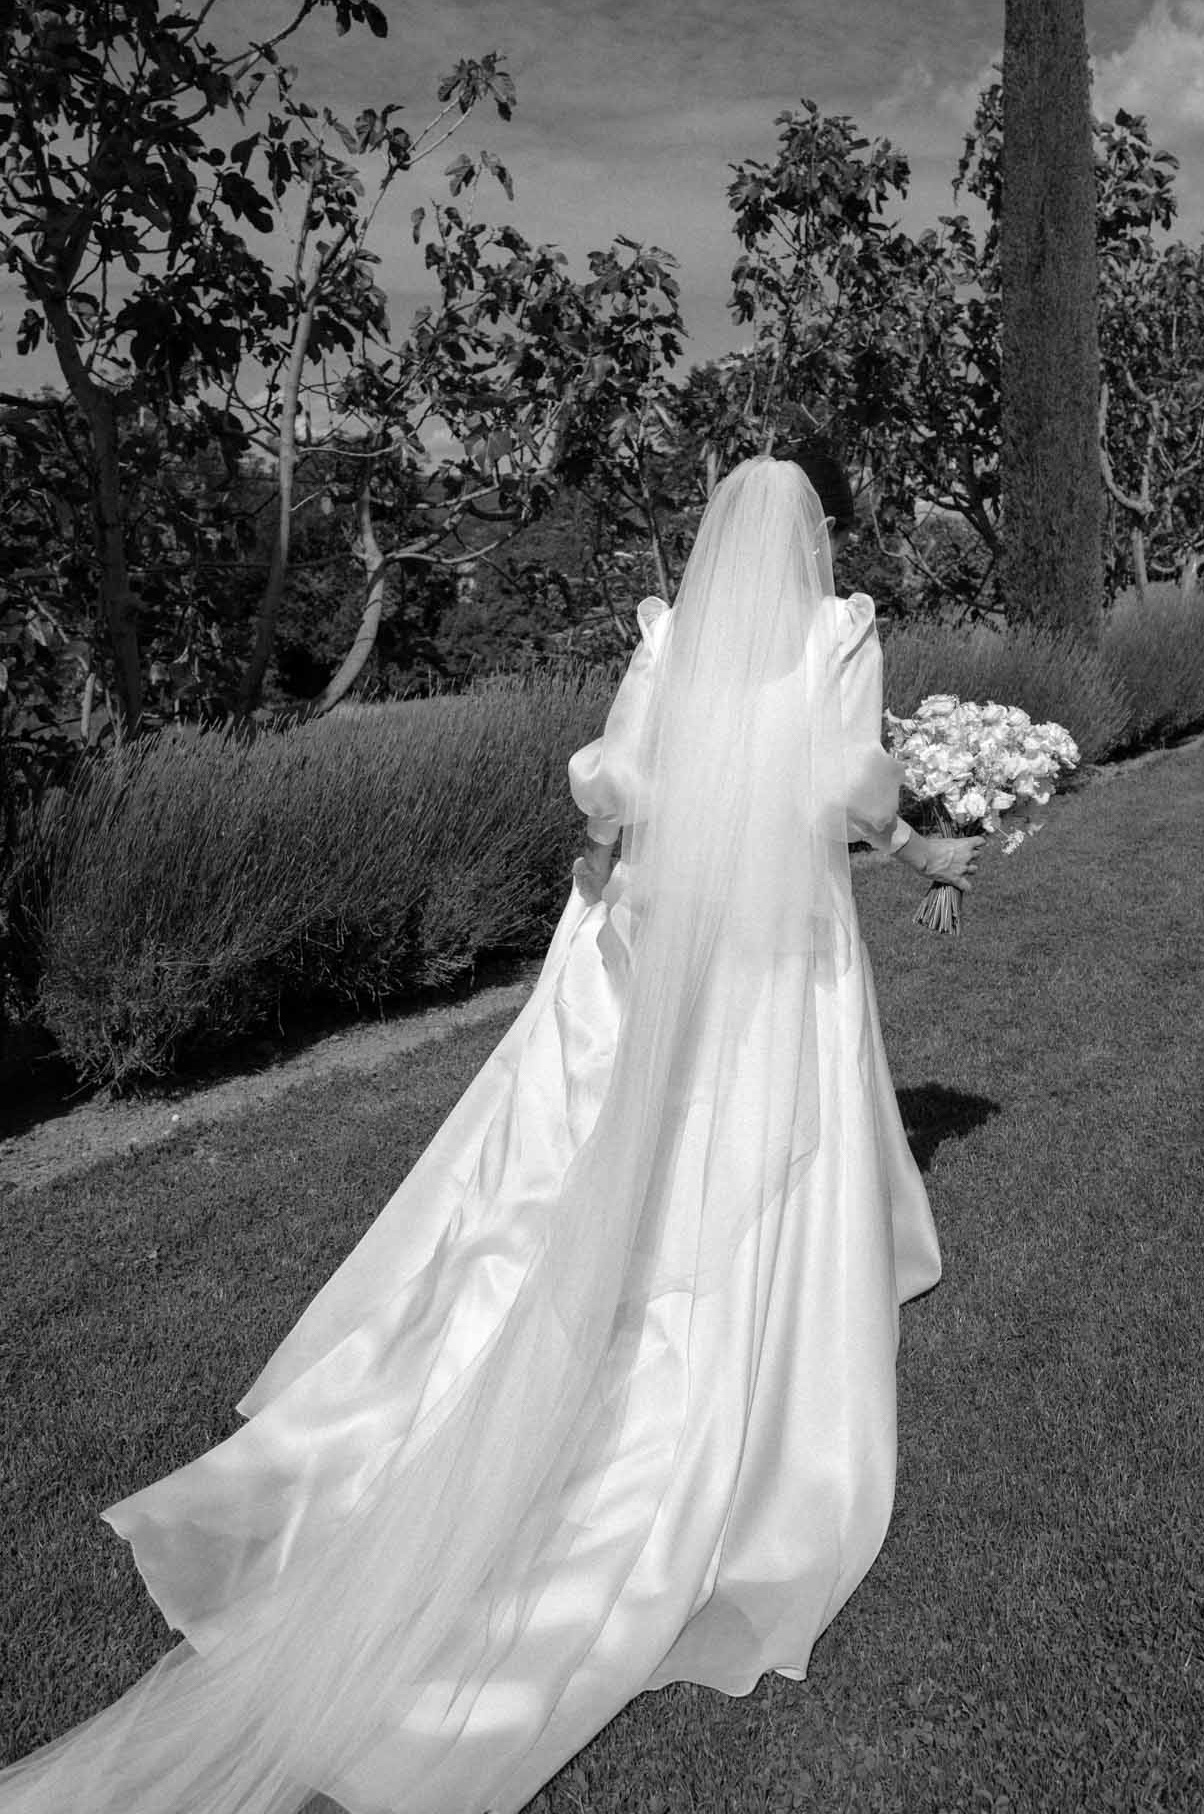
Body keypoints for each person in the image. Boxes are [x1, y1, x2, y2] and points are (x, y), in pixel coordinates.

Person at [0, 450, 978, 1814]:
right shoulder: (841, 633)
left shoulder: (675, 633)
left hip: (653, 931)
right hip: (781, 954)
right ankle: (736, 1317)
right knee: (762, 1144)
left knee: (597, 1146)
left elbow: (616, 784)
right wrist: (926, 843)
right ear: (817, 533)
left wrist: (637, 829)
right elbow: (847, 797)